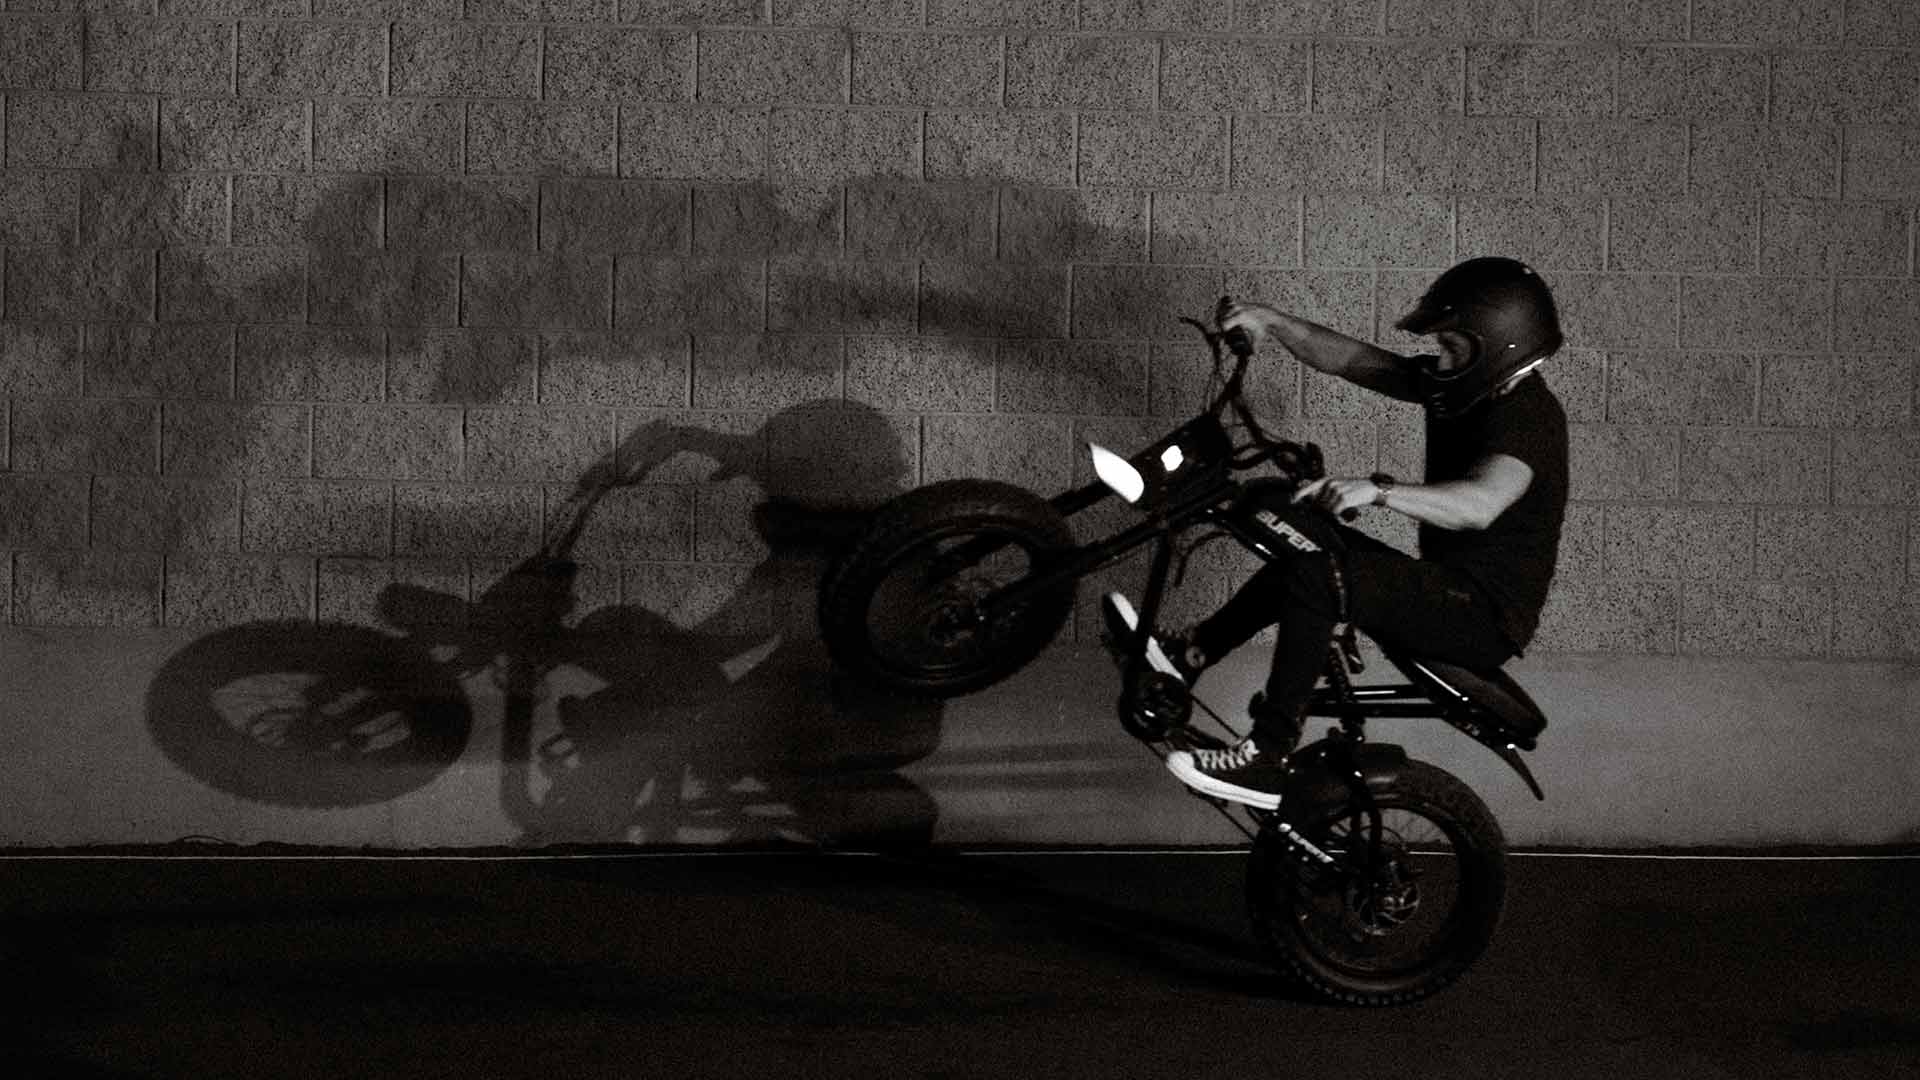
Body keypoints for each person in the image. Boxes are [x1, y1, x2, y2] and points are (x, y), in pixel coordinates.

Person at [1102, 256, 1570, 809]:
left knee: (1318, 577)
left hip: (1480, 613)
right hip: (1442, 582)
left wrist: (1378, 490)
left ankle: (1266, 756)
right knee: (1293, 526)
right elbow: (1355, 361)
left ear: (1497, 346)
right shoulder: (1463, 389)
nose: (1439, 358)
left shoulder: (1528, 416)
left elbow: (1481, 503)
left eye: (1451, 347)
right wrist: (1273, 321)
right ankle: (1190, 657)